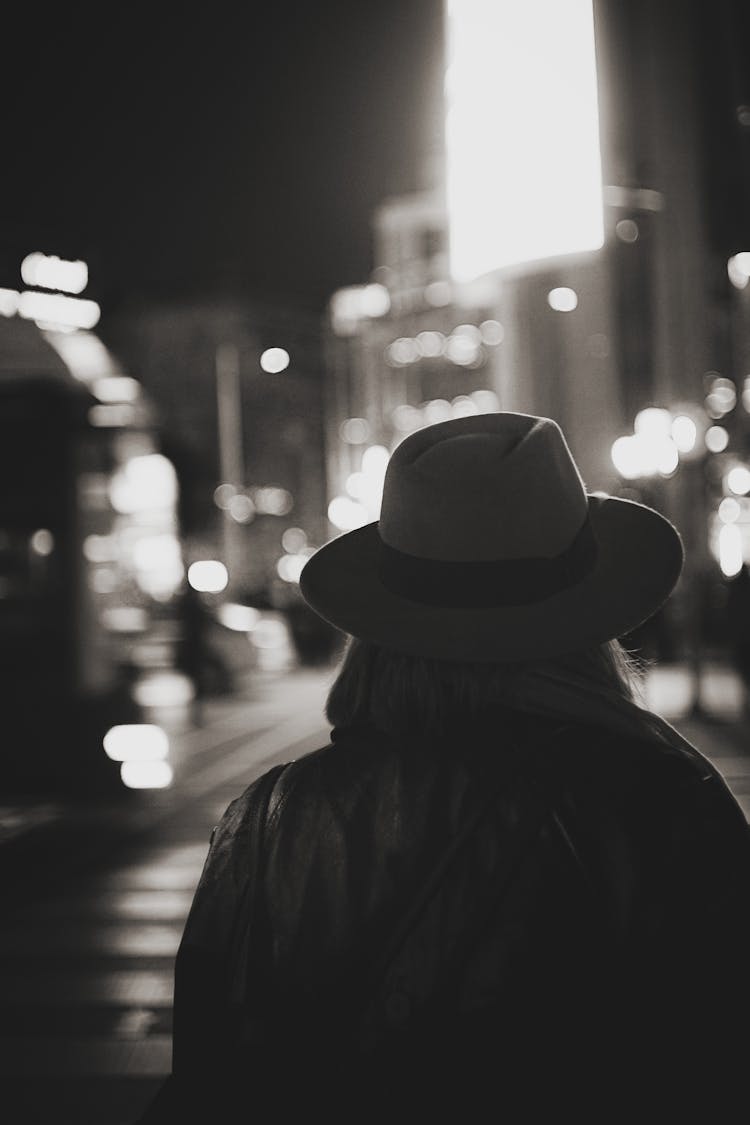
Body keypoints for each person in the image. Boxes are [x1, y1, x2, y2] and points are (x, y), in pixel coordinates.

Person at [138, 412, 750, 1122]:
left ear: (381, 626)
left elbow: (213, 1072)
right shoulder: (666, 799)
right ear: (591, 623)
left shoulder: (272, 818)